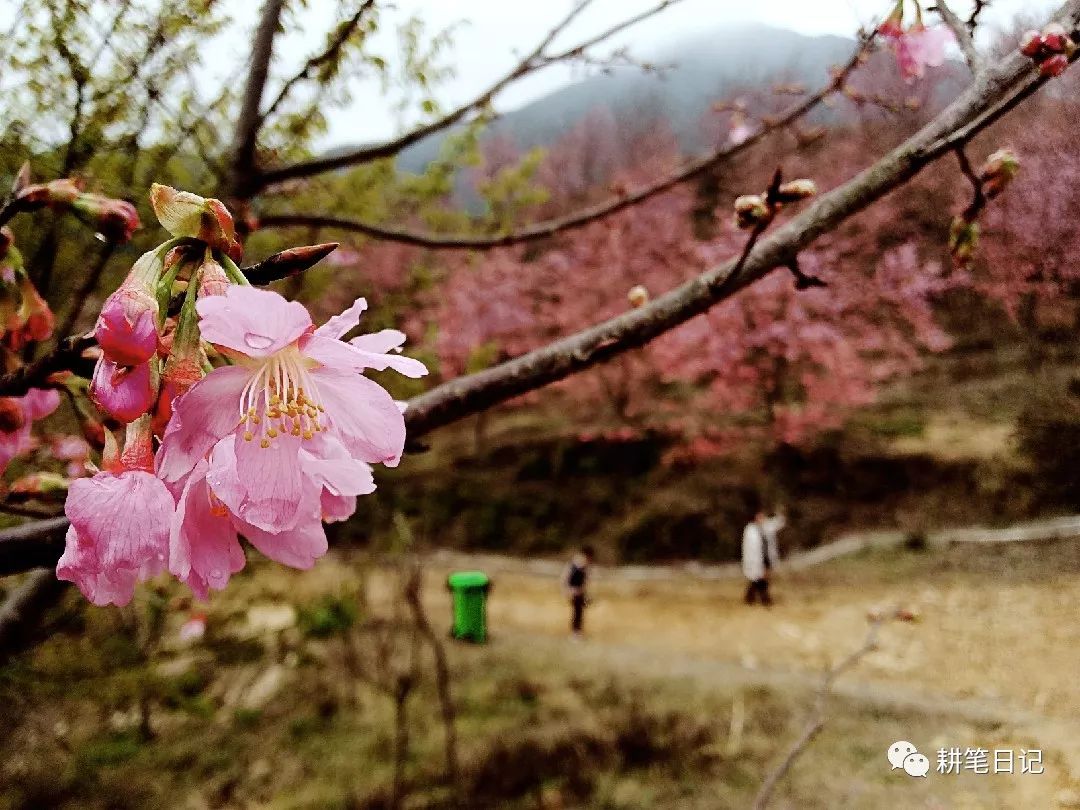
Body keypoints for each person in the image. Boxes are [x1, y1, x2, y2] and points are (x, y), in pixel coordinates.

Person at [742, 507, 785, 606]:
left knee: (762, 578)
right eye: (759, 516)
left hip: (767, 557)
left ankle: (750, 597)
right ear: (755, 518)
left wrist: (780, 513)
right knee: (759, 578)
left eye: (762, 516)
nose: (762, 518)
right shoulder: (750, 530)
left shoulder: (767, 526)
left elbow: (779, 523)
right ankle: (764, 599)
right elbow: (750, 548)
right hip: (755, 559)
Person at [563, 545, 595, 636]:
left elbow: (586, 581)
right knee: (576, 612)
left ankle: (577, 631)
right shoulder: (575, 564)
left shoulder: (585, 566)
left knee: (579, 612)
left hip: (580, 592)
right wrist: (567, 590)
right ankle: (575, 632)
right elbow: (566, 577)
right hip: (574, 591)